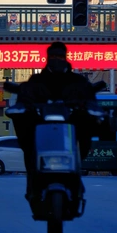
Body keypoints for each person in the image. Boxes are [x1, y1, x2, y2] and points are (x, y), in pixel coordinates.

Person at [11, 42, 97, 190]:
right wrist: (22, 108)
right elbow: (24, 99)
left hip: (70, 130)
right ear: (48, 58)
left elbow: (90, 100)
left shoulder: (78, 82)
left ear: (65, 57)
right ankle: (33, 185)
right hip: (42, 130)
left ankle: (76, 177)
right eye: (53, 56)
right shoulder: (36, 81)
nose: (57, 60)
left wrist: (90, 108)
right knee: (25, 129)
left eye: (60, 56)